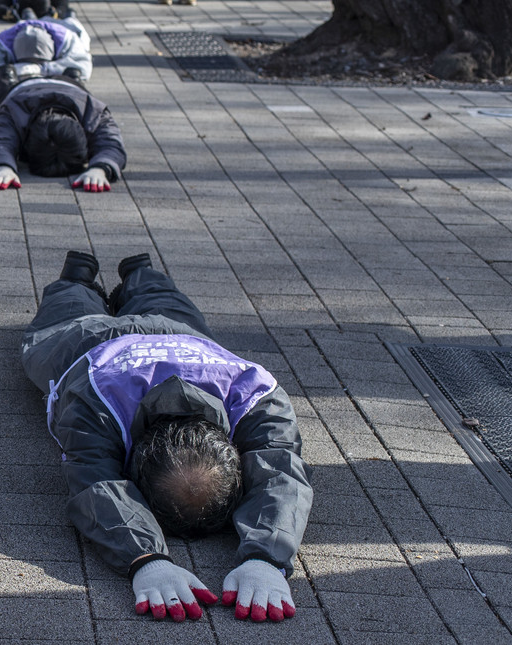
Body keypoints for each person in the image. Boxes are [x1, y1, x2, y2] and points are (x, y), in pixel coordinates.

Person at [18, 250, 312, 621]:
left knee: (156, 303)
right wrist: (147, 560)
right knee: (67, 310)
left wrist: (265, 561)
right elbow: (94, 481)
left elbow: (281, 471)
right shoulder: (96, 401)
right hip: (88, 340)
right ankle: (93, 279)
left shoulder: (257, 394)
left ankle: (125, 274)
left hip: (177, 334)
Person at [0, 25, 124, 192]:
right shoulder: (15, 109)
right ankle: (12, 75)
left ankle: (70, 75)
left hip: (65, 87)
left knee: (5, 93)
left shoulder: (93, 110)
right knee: (4, 91)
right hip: (25, 89)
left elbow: (111, 143)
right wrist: (2, 166)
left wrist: (101, 169)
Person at [0, 13, 91, 82]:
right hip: (26, 25)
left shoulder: (67, 39)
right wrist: (20, 68)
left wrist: (42, 69)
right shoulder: (5, 41)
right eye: (27, 61)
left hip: (64, 25)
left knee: (79, 31)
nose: (34, 64)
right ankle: (30, 15)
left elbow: (84, 68)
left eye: (40, 61)